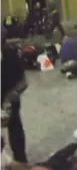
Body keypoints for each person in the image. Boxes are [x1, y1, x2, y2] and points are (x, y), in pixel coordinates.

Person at [1, 27, 28, 164]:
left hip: (10, 101)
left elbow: (24, 81)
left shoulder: (11, 55)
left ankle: (21, 161)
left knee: (15, 129)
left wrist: (13, 93)